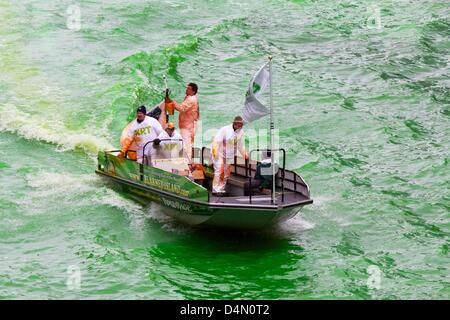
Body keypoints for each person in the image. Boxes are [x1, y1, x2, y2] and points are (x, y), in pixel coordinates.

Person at [211, 116, 249, 195]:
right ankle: (215, 189)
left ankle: (221, 189)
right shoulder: (224, 130)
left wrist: (244, 154)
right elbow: (216, 142)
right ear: (234, 124)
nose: (240, 127)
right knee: (219, 170)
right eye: (239, 125)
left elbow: (240, 146)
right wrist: (215, 153)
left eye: (241, 125)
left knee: (226, 173)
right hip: (219, 153)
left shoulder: (241, 132)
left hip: (229, 155)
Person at [165, 83, 199, 163]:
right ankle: (187, 162)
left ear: (193, 91)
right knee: (186, 145)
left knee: (186, 146)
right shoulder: (190, 97)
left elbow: (181, 108)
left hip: (188, 126)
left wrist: (172, 102)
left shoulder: (191, 99)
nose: (186, 89)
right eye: (187, 88)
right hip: (188, 125)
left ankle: (188, 164)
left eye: (189, 89)